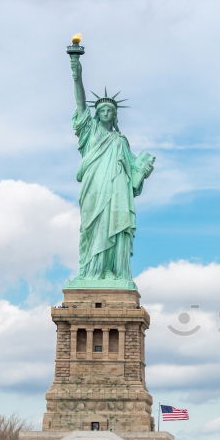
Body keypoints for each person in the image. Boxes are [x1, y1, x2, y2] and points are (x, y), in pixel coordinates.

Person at [68, 52, 154, 284]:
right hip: (94, 187)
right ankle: (90, 272)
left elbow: (135, 169)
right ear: (96, 114)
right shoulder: (90, 132)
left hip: (117, 191)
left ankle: (113, 272)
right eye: (102, 110)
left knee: (113, 225)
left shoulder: (120, 140)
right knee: (93, 228)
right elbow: (79, 101)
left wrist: (144, 168)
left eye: (110, 111)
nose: (106, 113)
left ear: (114, 115)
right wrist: (76, 71)